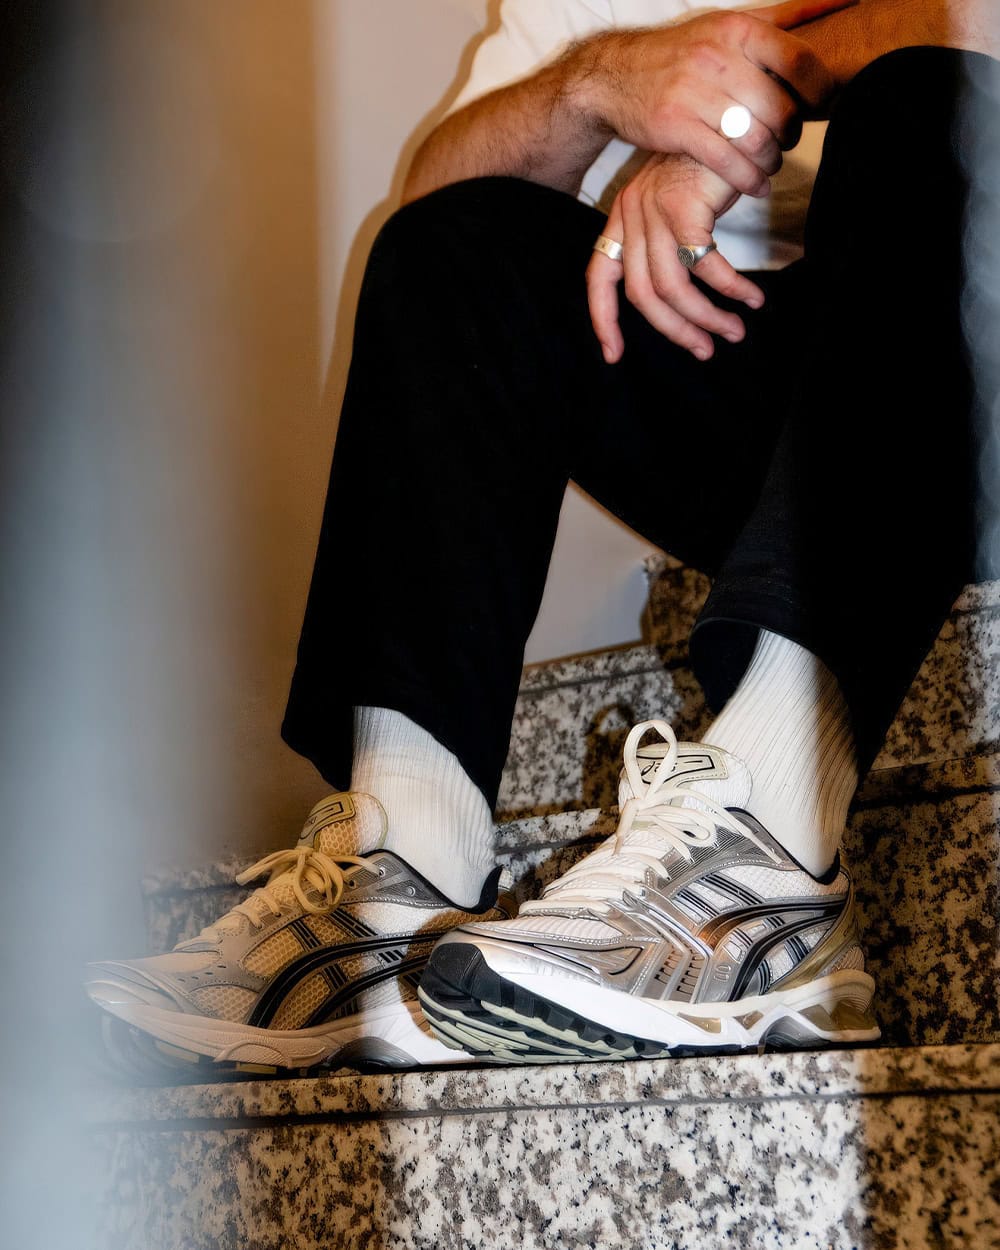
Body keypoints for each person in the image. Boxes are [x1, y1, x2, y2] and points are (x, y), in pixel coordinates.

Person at [85, 0, 996, 1075]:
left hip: (959, 358)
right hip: (797, 419)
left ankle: (773, 850)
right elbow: (436, 197)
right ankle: (399, 879)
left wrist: (723, 131)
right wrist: (595, 84)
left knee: (935, 100)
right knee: (450, 244)